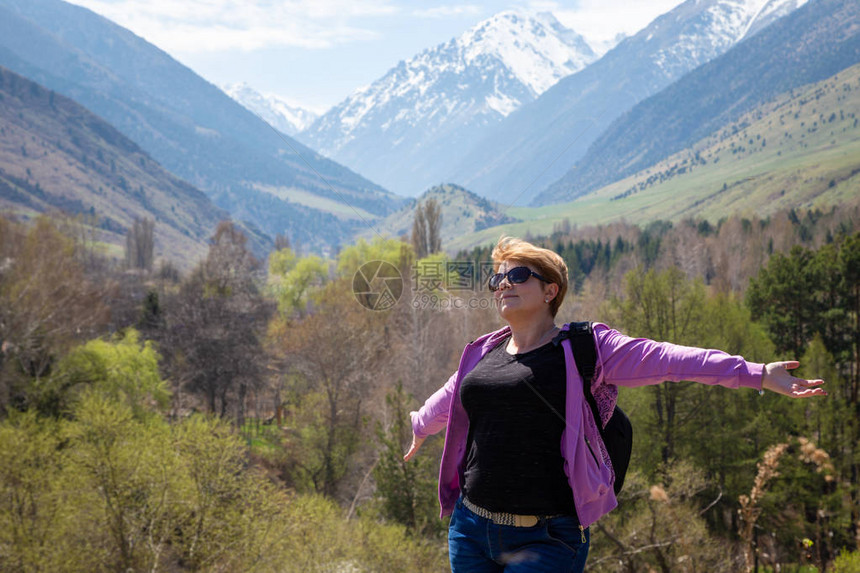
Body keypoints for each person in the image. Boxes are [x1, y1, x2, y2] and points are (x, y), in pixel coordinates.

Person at [403, 236, 826, 573]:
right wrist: (420, 425)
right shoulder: (484, 351)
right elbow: (449, 398)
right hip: (471, 529)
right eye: (497, 279)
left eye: (517, 274)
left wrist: (756, 373)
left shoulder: (588, 348)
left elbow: (670, 359)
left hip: (546, 538)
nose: (504, 285)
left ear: (550, 290)